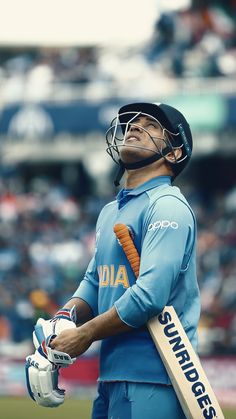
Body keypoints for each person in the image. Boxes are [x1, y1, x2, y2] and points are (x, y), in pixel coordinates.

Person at [26, 102, 200, 419]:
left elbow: (150, 295)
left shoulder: (168, 206)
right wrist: (63, 318)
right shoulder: (111, 212)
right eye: (132, 123)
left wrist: (85, 334)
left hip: (156, 374)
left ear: (174, 154)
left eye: (151, 125)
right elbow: (95, 283)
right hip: (111, 374)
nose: (134, 126)